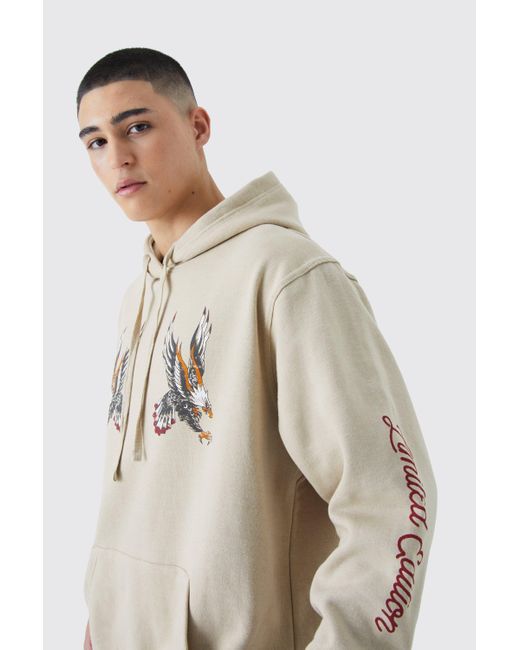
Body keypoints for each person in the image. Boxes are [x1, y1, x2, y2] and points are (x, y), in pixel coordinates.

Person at [78, 47, 438, 650]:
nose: (117, 157)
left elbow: (392, 498)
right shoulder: (136, 296)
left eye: (136, 127)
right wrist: (105, 614)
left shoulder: (287, 275)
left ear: (198, 126)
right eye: (95, 142)